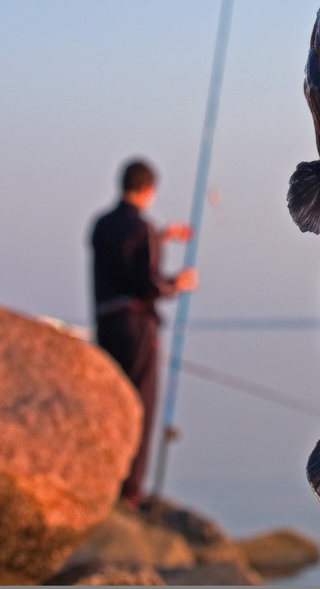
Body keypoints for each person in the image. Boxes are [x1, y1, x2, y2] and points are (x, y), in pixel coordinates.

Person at [90, 158, 198, 508]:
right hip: (137, 328)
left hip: (105, 323)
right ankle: (131, 491)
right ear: (148, 190)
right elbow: (149, 284)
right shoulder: (142, 228)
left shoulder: (101, 225)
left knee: (112, 402)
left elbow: (123, 259)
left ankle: (103, 479)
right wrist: (178, 284)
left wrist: (161, 236)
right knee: (142, 406)